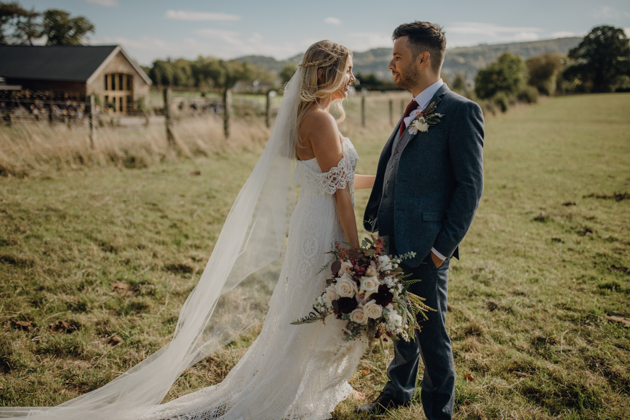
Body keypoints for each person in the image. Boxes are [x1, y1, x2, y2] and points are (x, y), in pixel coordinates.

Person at [0, 40, 374, 420]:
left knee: (305, 310)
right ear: (326, 74)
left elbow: (336, 180)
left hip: (310, 221)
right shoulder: (321, 120)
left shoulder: (308, 116)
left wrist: (382, 182)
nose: (353, 78)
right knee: (309, 310)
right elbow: (341, 196)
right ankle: (288, 392)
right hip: (323, 226)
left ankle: (312, 384)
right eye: (348, 70)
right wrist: (354, 254)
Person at [358, 22, 484, 420]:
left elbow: (469, 187)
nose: (391, 63)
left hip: (427, 247)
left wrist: (439, 249)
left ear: (423, 58)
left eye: (397, 56)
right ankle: (398, 390)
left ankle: (439, 413)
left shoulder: (461, 111)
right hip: (393, 240)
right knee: (399, 324)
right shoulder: (413, 108)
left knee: (433, 337)